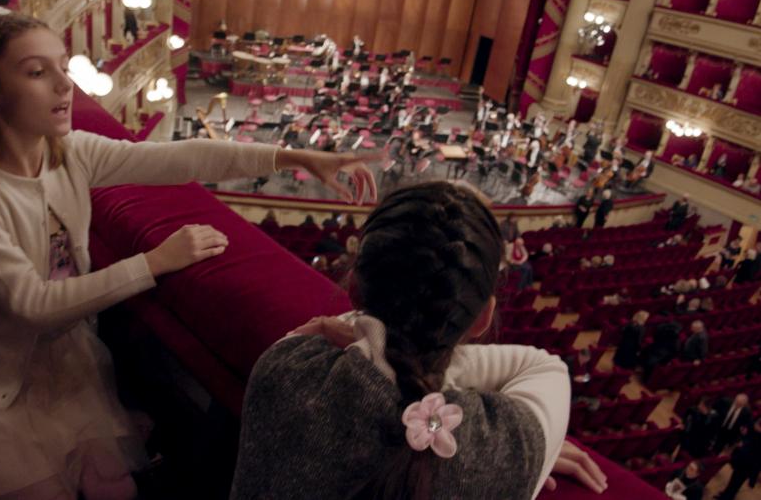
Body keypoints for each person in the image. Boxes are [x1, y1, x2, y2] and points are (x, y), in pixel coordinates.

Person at [0, 14, 378, 499]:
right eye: (37, 72)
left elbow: (180, 158)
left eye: (64, 66)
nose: (65, 85)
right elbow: (30, 303)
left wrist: (291, 157)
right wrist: (155, 261)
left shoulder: (67, 150)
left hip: (61, 356)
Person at [231, 182, 608, 499]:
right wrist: (541, 445)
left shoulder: (286, 368)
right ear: (483, 318)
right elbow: (544, 366)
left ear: (354, 288)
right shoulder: (510, 445)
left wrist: (368, 340)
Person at [714, 417, 761, 500]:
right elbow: (748, 438)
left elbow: (756, 457)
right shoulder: (755, 433)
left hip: (747, 466)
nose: (755, 425)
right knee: (733, 481)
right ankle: (725, 494)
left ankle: (727, 497)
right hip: (740, 462)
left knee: (736, 484)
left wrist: (743, 446)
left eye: (757, 424)